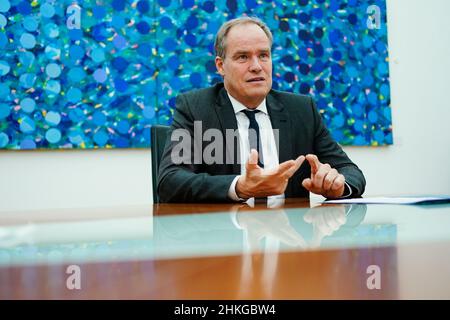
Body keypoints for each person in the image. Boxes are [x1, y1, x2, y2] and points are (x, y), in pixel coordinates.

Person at [157, 16, 365, 203]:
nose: (257, 66)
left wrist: (337, 185)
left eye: (263, 55)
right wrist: (240, 187)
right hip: (224, 236)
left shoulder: (302, 110)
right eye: (243, 57)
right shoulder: (195, 108)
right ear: (220, 66)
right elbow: (170, 180)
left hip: (291, 238)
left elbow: (351, 172)